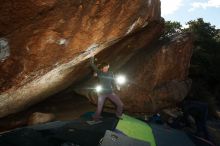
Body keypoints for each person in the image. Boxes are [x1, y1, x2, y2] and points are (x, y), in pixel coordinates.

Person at [90, 56, 123, 121]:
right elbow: (92, 64)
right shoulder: (99, 72)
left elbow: (113, 80)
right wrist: (92, 56)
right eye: (104, 68)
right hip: (102, 94)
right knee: (99, 109)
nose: (106, 69)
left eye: (107, 67)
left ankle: (118, 115)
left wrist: (117, 85)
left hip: (110, 92)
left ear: (108, 67)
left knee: (120, 104)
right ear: (102, 68)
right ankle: (96, 117)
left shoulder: (110, 73)